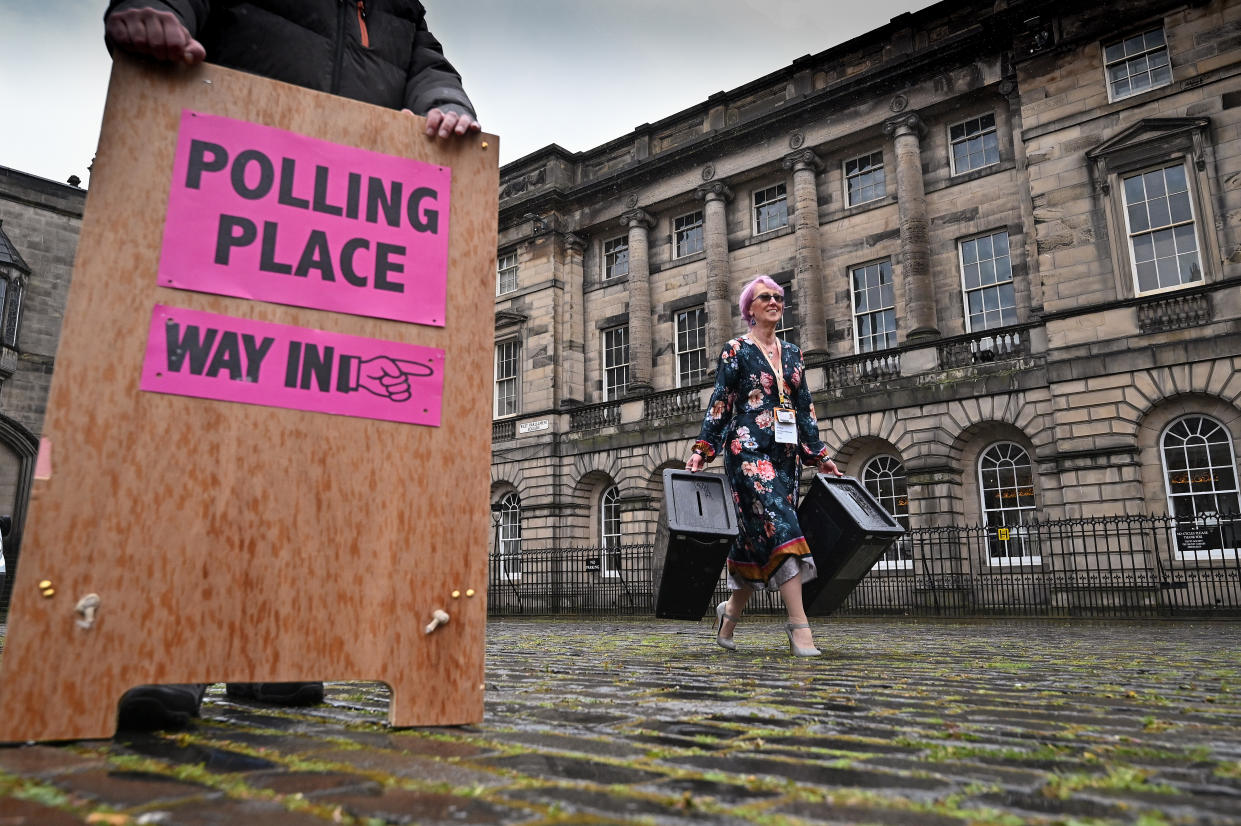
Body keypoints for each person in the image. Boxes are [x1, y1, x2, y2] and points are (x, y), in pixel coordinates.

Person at [104, 0, 480, 729]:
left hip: (342, 239)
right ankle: (167, 655)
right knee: (203, 445)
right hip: (224, 218)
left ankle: (270, 654)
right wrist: (151, 13)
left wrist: (446, 106)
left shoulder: (397, 7)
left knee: (311, 460)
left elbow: (427, 70)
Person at [685, 275, 842, 657]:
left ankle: (730, 612)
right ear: (749, 309)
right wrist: (703, 450)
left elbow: (804, 409)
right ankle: (799, 626)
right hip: (748, 448)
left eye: (778, 297)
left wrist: (820, 455)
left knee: (758, 538)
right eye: (765, 297)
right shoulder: (736, 350)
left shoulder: (793, 353)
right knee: (783, 521)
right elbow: (721, 401)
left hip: (785, 452)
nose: (774, 301)